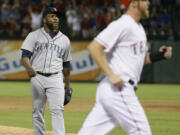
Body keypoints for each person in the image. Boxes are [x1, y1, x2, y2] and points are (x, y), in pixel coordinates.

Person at [78, 0, 172, 135]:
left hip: (112, 91)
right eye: (144, 0)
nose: (148, 3)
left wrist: (159, 55)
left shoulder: (138, 28)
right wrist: (111, 74)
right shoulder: (122, 24)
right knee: (142, 132)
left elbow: (140, 59)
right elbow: (94, 47)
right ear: (133, 3)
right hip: (119, 88)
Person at [21, 7, 72, 135]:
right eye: (52, 16)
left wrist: (67, 85)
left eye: (57, 16)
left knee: (58, 110)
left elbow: (66, 65)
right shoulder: (33, 36)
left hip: (56, 78)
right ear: (44, 19)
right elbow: (25, 56)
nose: (55, 18)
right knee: (37, 111)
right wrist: (29, 68)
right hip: (37, 77)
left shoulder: (65, 40)